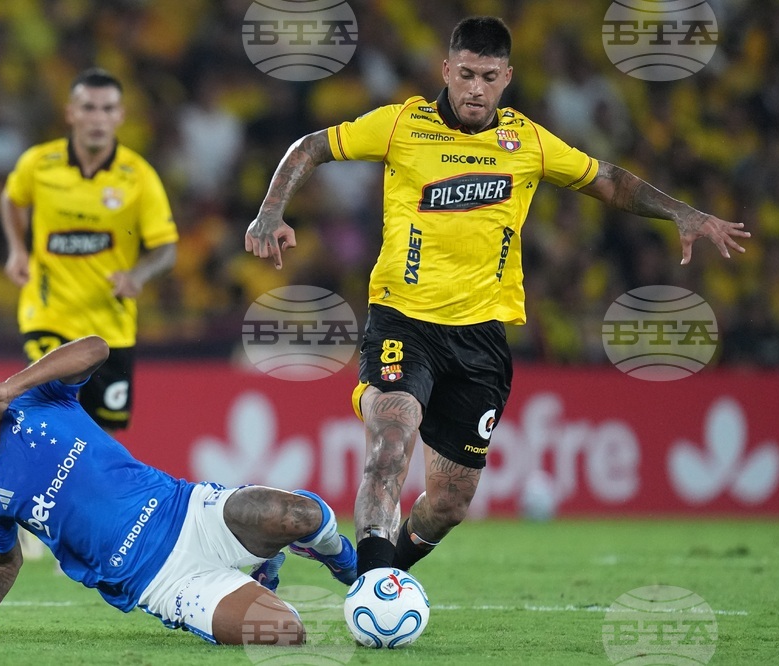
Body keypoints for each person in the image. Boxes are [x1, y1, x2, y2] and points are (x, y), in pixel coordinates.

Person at [245, 17, 750, 577]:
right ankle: (372, 582)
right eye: (465, 74)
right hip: (402, 321)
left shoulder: (526, 141)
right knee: (391, 444)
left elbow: (605, 178)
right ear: (446, 70)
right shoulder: (401, 125)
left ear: (507, 77)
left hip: (480, 339)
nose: (475, 89)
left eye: (488, 77)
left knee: (448, 504)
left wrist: (680, 212)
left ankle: (371, 575)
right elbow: (312, 146)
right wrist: (271, 211)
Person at [0, 336, 357, 646]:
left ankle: (337, 555)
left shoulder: (35, 398)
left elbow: (96, 349)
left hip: (186, 510)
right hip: (158, 580)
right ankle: (258, 571)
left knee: (302, 516)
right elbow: (3, 562)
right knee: (285, 634)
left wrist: (12, 387)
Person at [0, 67, 177, 433]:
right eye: (89, 107)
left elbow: (166, 248)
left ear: (120, 116)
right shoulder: (39, 163)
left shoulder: (139, 176)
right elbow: (11, 199)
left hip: (110, 326)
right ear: (71, 113)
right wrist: (17, 249)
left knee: (102, 436)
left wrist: (138, 275)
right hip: (49, 314)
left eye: (107, 109)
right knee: (49, 422)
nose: (98, 118)